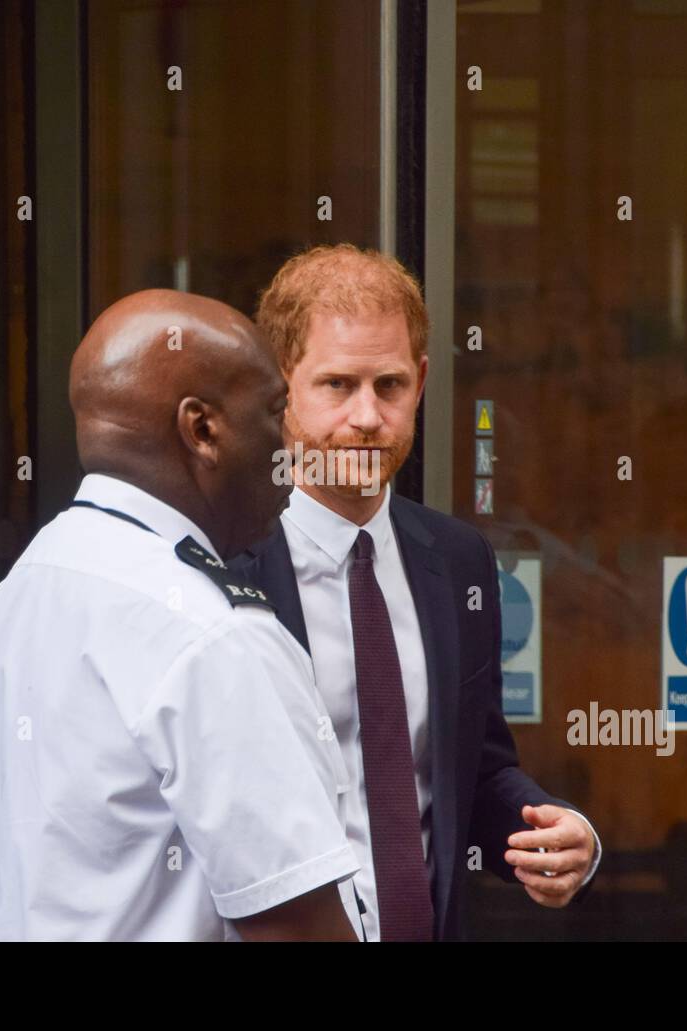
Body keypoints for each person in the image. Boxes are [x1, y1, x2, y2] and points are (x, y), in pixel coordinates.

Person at [0, 289, 359, 941]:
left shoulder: (15, 595)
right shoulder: (209, 628)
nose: (292, 446)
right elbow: (294, 921)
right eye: (276, 411)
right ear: (202, 430)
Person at [231, 244, 602, 941]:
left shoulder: (458, 560)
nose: (368, 416)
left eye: (391, 385)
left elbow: (477, 769)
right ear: (280, 387)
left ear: (422, 382)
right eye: (337, 385)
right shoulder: (225, 565)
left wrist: (558, 833)